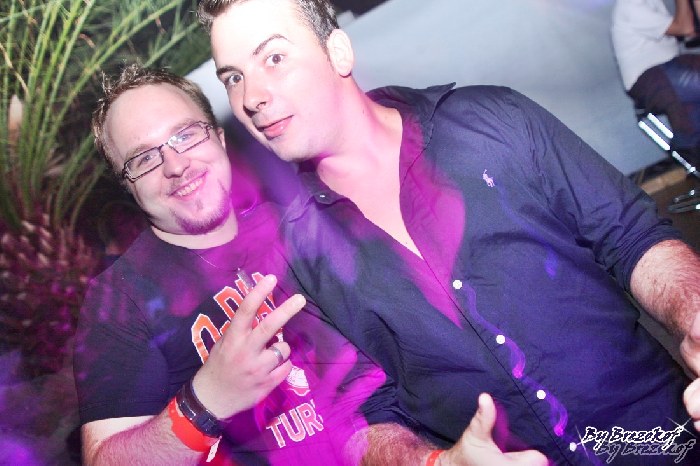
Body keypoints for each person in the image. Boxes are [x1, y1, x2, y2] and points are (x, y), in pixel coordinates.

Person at [199, 0, 700, 464]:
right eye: (233, 78)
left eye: (274, 58)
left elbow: (633, 237)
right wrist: (436, 462)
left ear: (338, 52)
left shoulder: (492, 122)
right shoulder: (295, 258)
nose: (251, 97)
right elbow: (361, 417)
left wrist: (694, 315)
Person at [74, 64, 542, 466]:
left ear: (218, 137)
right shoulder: (121, 297)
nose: (175, 165)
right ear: (128, 185)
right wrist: (206, 401)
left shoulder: (301, 229)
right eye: (144, 158)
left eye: (185, 135)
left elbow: (364, 416)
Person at [612, 0, 700, 164]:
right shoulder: (630, 5)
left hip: (670, 68)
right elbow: (684, 27)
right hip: (647, 79)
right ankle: (687, 145)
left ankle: (689, 143)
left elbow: (688, 30)